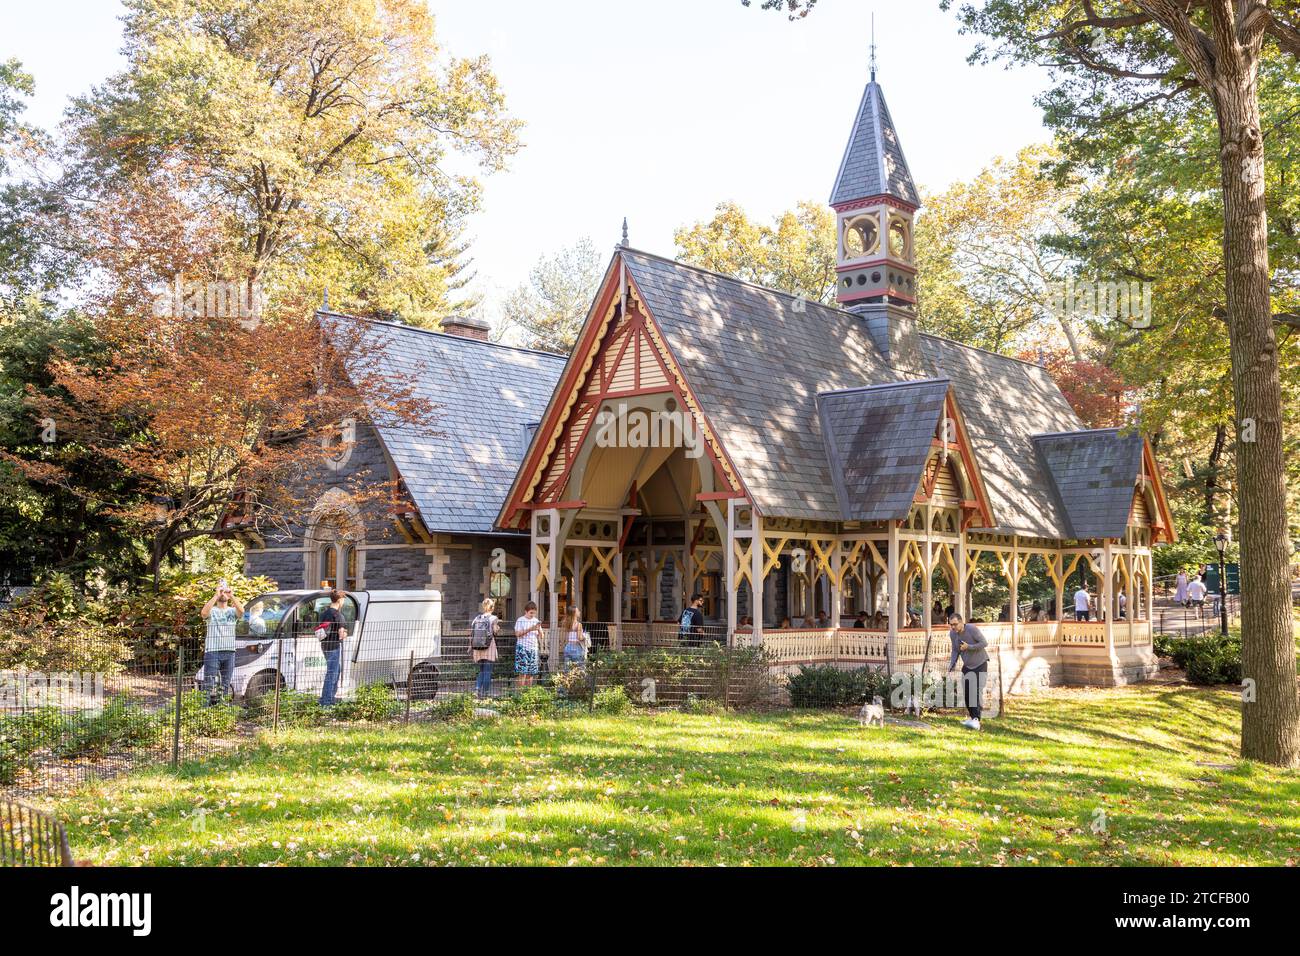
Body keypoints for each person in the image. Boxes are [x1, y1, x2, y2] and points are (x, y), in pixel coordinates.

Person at [201, 582, 243, 704]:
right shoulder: (212, 610)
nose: (223, 593)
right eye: (221, 591)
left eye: (225, 591)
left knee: (225, 685)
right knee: (209, 683)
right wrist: (216, 595)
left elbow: (241, 611)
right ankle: (202, 711)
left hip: (229, 652)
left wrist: (232, 596)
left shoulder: (232, 611)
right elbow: (203, 614)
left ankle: (221, 710)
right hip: (213, 651)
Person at [946, 611, 989, 730]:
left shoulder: (972, 629)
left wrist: (968, 647)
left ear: (961, 622)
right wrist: (952, 664)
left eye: (955, 624)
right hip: (968, 665)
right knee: (966, 693)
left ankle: (977, 719)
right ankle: (973, 718)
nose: (953, 627)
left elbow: (984, 643)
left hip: (980, 664)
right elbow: (955, 650)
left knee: (975, 691)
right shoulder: (953, 634)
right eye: (951, 625)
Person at [316, 589, 349, 707]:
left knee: (336, 670)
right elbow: (341, 634)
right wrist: (345, 633)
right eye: (343, 600)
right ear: (340, 600)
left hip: (324, 645)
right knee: (331, 673)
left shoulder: (324, 613)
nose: (343, 602)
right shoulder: (338, 615)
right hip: (334, 646)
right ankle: (326, 701)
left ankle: (330, 698)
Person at [470, 598, 501, 698]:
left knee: (482, 670)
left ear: (484, 607)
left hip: (477, 646)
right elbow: (495, 631)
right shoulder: (494, 618)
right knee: (487, 670)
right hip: (489, 646)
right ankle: (485, 694)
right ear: (492, 607)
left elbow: (472, 632)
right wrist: (498, 629)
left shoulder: (477, 618)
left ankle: (477, 689)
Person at [513, 601, 543, 688]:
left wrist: (539, 630)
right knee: (523, 672)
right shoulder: (520, 620)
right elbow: (517, 634)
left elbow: (541, 636)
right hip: (523, 648)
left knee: (531, 673)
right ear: (525, 611)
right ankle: (520, 694)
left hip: (533, 648)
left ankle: (528, 693)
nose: (532, 615)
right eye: (531, 613)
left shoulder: (536, 621)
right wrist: (531, 629)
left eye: (534, 613)